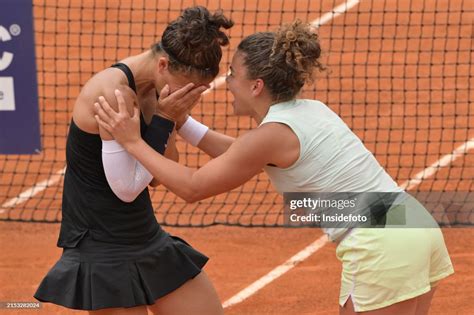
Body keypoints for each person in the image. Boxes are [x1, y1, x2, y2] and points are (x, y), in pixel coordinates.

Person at [95, 20, 454, 315]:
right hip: (413, 224)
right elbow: (241, 153)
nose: (226, 84)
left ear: (256, 85)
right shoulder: (309, 110)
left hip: (384, 246)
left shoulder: (270, 135)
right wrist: (182, 124)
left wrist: (132, 142)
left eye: (233, 74)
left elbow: (193, 187)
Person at [34, 6, 233, 315]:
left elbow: (157, 174)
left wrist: (169, 119)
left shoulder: (154, 87)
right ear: (164, 64)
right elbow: (125, 188)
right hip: (102, 250)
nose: (190, 96)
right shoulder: (114, 94)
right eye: (188, 88)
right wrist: (165, 119)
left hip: (144, 234)